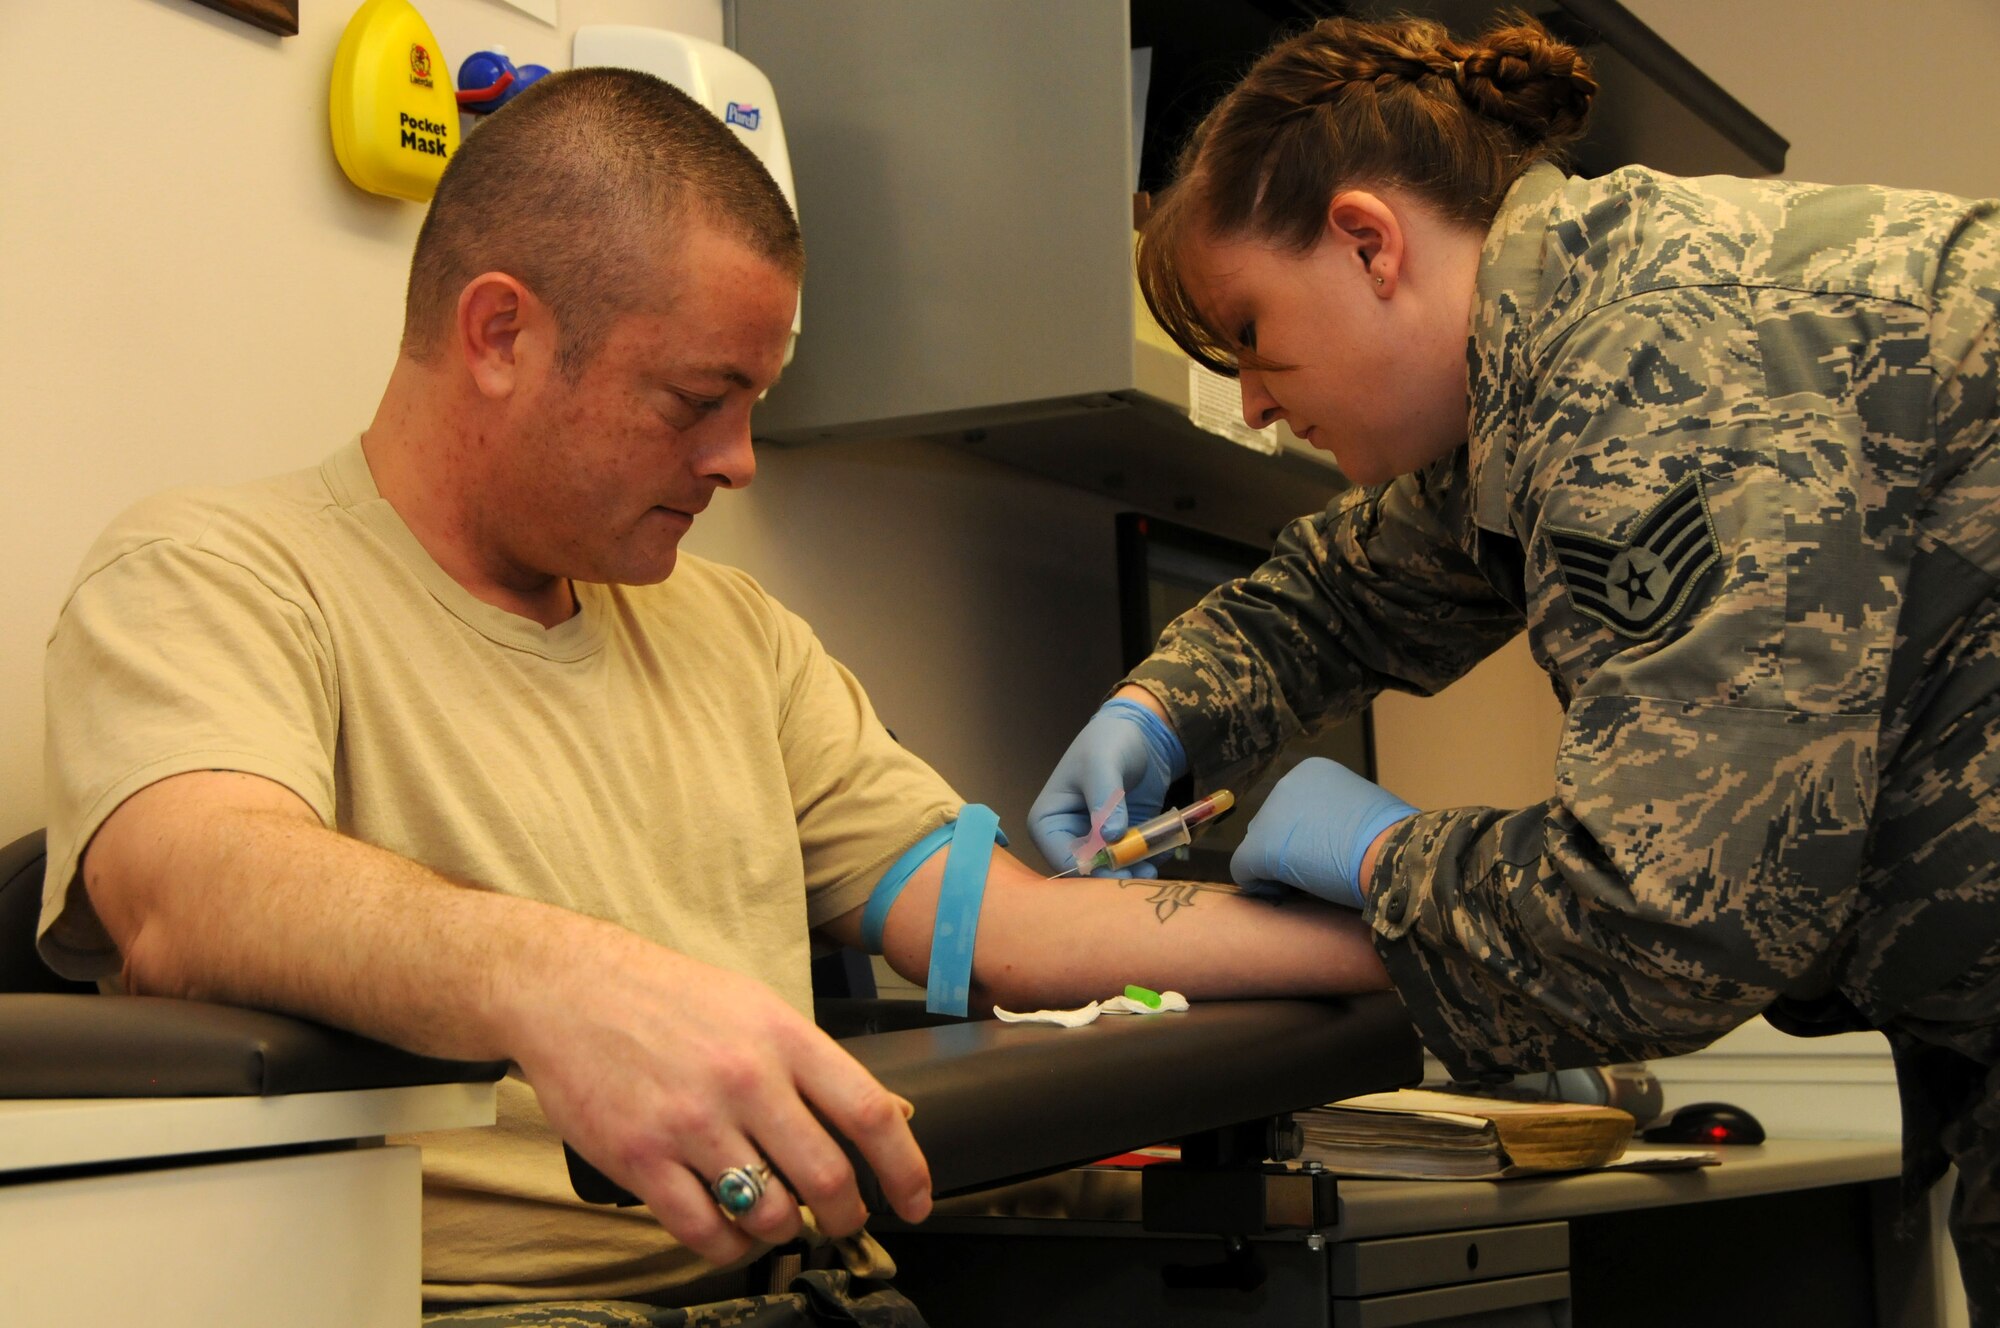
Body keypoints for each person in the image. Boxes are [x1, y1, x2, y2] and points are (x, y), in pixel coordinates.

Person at [38, 69, 1392, 1321]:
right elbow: (190, 883)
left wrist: (1404, 933)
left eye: (756, 399)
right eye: (697, 398)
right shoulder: (219, 574)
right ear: (500, 332)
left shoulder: (734, 635)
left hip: (825, 1289)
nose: (739, 460)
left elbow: (1004, 928)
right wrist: (562, 980)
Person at [1027, 13, 2000, 1320]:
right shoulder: (1573, 325)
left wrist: (1380, 861)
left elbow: (1666, 922)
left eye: (1252, 331)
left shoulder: (1652, 377)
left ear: (1369, 243)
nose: (1253, 401)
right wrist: (1158, 709)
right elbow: (1344, 589)